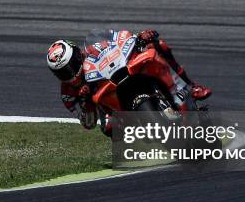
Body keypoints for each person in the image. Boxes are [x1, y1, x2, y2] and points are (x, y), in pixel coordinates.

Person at [46, 30, 211, 136]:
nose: (69, 73)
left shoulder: (92, 49)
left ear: (78, 55)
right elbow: (88, 123)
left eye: (70, 66)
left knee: (157, 45)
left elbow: (117, 39)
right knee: (109, 128)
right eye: (62, 72)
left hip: (117, 76)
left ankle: (190, 85)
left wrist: (139, 38)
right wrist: (87, 103)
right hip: (108, 108)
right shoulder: (68, 94)